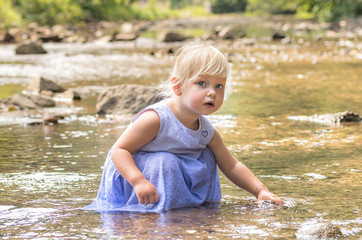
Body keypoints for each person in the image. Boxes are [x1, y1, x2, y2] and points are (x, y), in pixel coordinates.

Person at [85, 44, 284, 213]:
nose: (212, 93)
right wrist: (138, 181)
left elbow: (231, 165)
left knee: (207, 155)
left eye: (219, 86)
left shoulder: (206, 131)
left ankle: (187, 209)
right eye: (202, 83)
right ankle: (158, 211)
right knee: (167, 161)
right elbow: (119, 151)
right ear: (178, 87)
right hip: (133, 178)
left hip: (166, 174)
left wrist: (260, 190)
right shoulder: (155, 119)